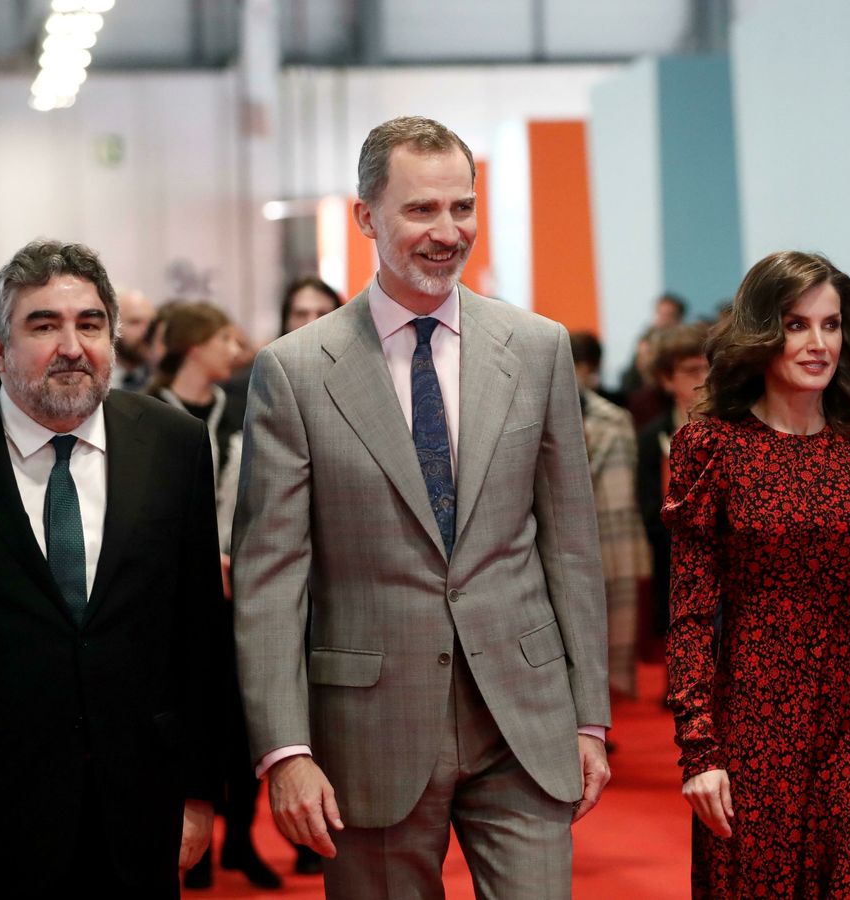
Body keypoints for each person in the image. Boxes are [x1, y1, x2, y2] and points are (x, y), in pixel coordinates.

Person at [231, 116, 610, 898]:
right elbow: (271, 580)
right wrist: (285, 750)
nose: (448, 232)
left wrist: (589, 717)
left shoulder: (537, 347)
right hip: (369, 732)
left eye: (461, 208)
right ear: (366, 216)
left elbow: (571, 544)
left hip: (525, 718)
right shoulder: (295, 372)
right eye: (421, 210)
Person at [0, 240, 228, 898]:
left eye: (90, 324)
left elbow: (197, 633)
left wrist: (200, 793)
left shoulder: (175, 443)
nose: (72, 346)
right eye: (43, 325)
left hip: (138, 807)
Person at [665, 250, 850, 898]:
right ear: (763, 331)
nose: (818, 342)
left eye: (830, 325)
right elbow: (689, 612)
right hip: (754, 719)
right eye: (797, 325)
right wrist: (699, 749)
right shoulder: (712, 445)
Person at [140, 302, 278, 891]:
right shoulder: (144, 413)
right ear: (195, 346)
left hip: (238, 592)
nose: (237, 347)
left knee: (242, 724)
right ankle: (183, 841)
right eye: (225, 337)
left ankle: (241, 841)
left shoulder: (239, 410)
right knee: (184, 719)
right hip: (167, 599)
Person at [571, 331, 651, 699]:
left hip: (612, 535)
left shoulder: (614, 419)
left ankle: (601, 717)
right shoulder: (533, 411)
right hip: (559, 543)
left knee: (607, 636)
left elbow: (628, 491)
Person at [637, 323, 711, 659]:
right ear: (668, 379)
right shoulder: (651, 436)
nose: (705, 378)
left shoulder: (740, 429)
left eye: (711, 367)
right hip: (673, 564)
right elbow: (648, 507)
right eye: (692, 370)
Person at [114, 289, 156, 391]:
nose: (146, 331)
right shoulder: (94, 380)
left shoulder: (159, 382)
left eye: (151, 323)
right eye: (135, 322)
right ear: (112, 325)